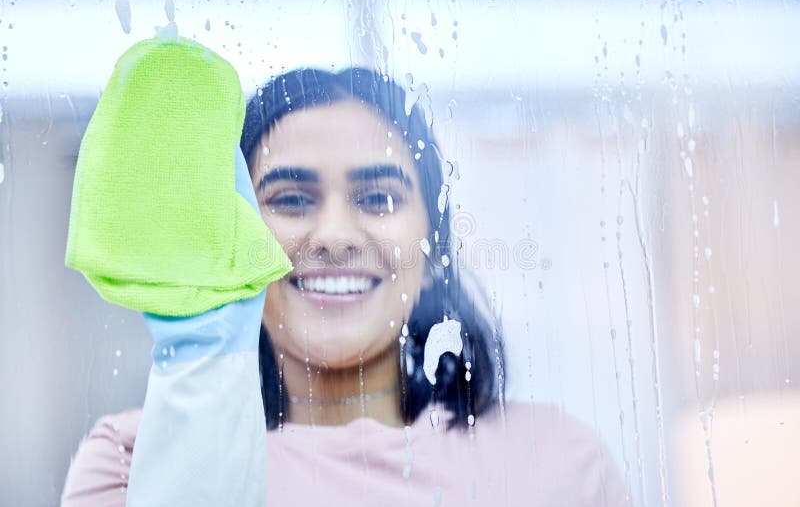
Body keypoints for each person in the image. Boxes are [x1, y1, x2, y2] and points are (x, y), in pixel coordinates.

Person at [61, 64, 630, 506]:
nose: (334, 235)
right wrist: (196, 404)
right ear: (233, 237)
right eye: (290, 199)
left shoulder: (557, 463)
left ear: (433, 248)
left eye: (379, 199)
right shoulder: (132, 461)